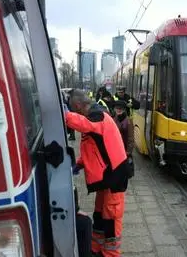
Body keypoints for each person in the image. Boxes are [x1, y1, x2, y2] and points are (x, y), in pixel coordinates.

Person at [65, 89, 129, 257]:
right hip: (106, 177)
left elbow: (82, 124)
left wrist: (63, 114)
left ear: (78, 106)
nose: (72, 111)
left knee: (111, 220)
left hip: (114, 177)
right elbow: (93, 149)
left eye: (72, 108)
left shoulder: (97, 116)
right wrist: (79, 164)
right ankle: (97, 250)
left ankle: (111, 254)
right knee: (100, 215)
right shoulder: (96, 115)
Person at [113, 100, 135, 178]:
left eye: (121, 109)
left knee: (124, 170)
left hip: (124, 149)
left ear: (124, 109)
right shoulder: (113, 119)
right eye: (117, 108)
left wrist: (128, 152)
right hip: (115, 148)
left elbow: (131, 138)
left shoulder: (128, 121)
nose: (118, 110)